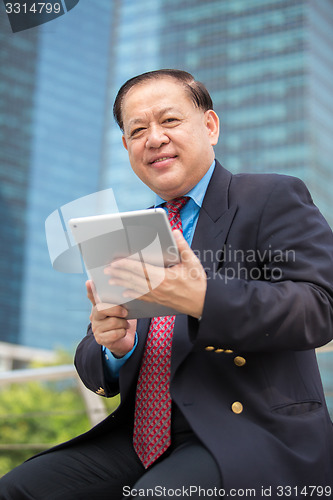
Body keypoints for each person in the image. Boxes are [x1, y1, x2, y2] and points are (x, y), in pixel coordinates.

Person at [1, 69, 333, 499]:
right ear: (126, 147)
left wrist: (204, 297)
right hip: (139, 439)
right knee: (17, 490)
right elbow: (93, 362)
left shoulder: (270, 197)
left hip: (250, 429)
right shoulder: (130, 233)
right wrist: (112, 348)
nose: (153, 138)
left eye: (169, 121)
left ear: (210, 126)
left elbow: (319, 307)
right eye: (137, 130)